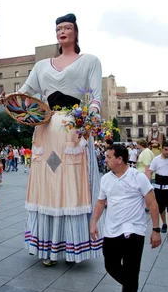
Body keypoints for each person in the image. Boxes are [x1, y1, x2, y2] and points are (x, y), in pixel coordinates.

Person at [8, 13, 103, 266]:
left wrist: (90, 120)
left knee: (71, 185)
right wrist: (9, 100)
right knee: (48, 183)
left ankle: (72, 248)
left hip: (73, 130)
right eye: (59, 28)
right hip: (46, 130)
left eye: (67, 27)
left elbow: (95, 98)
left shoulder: (90, 61)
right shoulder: (41, 66)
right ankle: (46, 247)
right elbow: (25, 93)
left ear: (76, 32)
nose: (62, 31)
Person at [90, 144, 161, 292]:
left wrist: (156, 229)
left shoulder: (138, 178)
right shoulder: (105, 179)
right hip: (111, 231)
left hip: (134, 231)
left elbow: (152, 204)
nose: (105, 159)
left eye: (108, 157)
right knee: (110, 265)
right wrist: (93, 222)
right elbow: (100, 202)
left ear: (119, 159)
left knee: (131, 269)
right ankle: (131, 286)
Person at [147, 141, 168, 240]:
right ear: (161, 149)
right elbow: (150, 171)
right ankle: (164, 223)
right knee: (161, 208)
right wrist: (147, 182)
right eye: (165, 150)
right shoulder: (156, 160)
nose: (167, 152)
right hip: (159, 188)